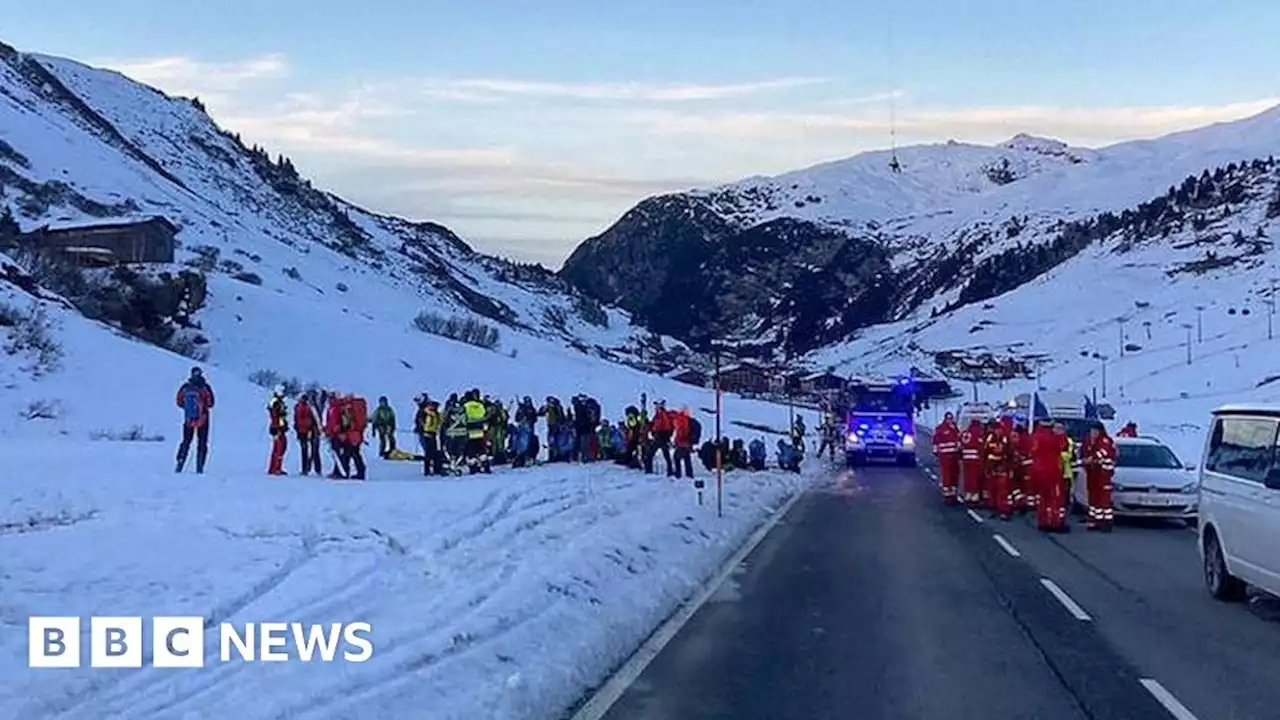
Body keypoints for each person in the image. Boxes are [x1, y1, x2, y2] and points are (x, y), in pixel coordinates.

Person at [1032, 420, 1070, 533]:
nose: (1059, 430)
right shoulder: (1055, 439)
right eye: (1057, 428)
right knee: (1055, 500)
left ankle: (1043, 521)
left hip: (1039, 473)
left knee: (1043, 499)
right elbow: (1063, 447)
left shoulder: (1037, 436)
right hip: (1053, 474)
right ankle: (1054, 523)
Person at [175, 367, 215, 473]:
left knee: (186, 441)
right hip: (204, 418)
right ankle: (200, 466)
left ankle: (180, 462)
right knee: (202, 443)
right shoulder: (205, 387)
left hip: (189, 419)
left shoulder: (186, 387)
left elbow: (179, 401)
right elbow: (211, 403)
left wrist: (188, 408)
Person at [1083, 423, 1117, 532]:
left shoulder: (1105, 441)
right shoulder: (1089, 440)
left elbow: (1102, 452)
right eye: (1092, 431)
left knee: (1104, 500)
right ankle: (1094, 521)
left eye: (1095, 431)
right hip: (1093, 474)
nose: (1093, 433)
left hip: (1104, 475)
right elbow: (1084, 452)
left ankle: (1106, 523)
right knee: (1093, 499)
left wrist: (1092, 458)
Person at [983, 418, 1014, 520]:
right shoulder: (990, 438)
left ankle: (1004, 511)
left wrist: (1010, 469)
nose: (998, 431)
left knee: (1003, 492)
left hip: (1003, 468)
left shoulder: (1006, 439)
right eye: (996, 429)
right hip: (992, 468)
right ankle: (993, 509)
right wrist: (986, 468)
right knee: (992, 491)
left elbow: (1010, 455)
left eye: (999, 429)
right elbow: (985, 453)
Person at [932, 412, 961, 505]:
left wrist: (959, 451)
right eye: (948, 418)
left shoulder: (954, 428)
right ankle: (947, 496)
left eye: (951, 418)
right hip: (945, 456)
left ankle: (953, 494)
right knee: (947, 475)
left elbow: (958, 440)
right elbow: (935, 440)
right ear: (945, 419)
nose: (950, 420)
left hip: (954, 456)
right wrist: (936, 451)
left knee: (954, 475)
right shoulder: (940, 428)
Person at [416, 396, 445, 476]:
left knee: (435, 452)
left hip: (433, 434)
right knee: (429, 453)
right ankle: (428, 470)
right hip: (428, 434)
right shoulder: (428, 413)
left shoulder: (434, 414)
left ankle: (436, 469)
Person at [463, 390, 491, 474]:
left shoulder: (465, 406)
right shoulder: (480, 405)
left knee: (471, 453)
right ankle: (486, 466)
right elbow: (484, 416)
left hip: (470, 433)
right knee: (482, 451)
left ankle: (474, 469)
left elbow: (463, 418)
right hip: (480, 432)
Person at [959, 418, 985, 507]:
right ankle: (974, 497)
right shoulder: (978, 433)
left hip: (966, 459)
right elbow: (981, 447)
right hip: (975, 459)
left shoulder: (965, 433)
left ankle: (968, 495)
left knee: (967, 477)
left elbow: (959, 445)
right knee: (974, 478)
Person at [266, 385, 289, 475]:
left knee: (280, 447)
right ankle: (275, 468)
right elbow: (275, 416)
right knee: (279, 448)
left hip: (280, 428)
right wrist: (277, 427)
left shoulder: (279, 402)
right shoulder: (276, 402)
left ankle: (275, 467)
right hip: (277, 428)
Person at [649, 400, 675, 476]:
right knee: (665, 454)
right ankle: (670, 471)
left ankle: (649, 471)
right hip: (660, 436)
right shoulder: (657, 415)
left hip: (661, 437)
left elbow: (665, 426)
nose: (656, 408)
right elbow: (654, 425)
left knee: (650, 454)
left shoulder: (663, 415)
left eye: (658, 406)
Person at [671, 408, 695, 479]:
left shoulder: (681, 420)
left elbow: (681, 432)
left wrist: (677, 442)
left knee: (676, 457)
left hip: (682, 443)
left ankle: (678, 474)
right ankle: (689, 474)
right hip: (686, 442)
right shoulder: (687, 420)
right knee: (686, 458)